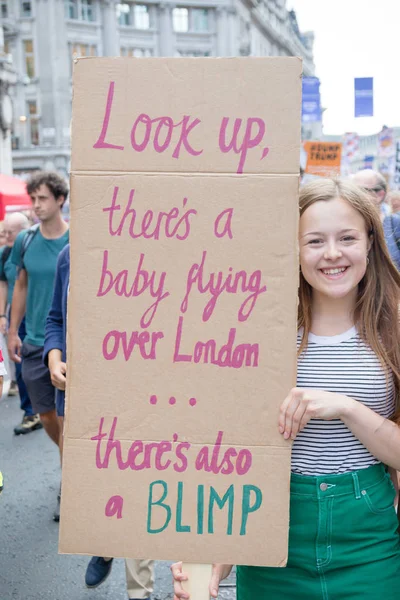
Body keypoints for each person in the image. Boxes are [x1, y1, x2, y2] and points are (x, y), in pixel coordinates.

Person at [171, 178, 400, 599]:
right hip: (269, 533)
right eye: (314, 241)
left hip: (371, 539)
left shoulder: (394, 326)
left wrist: (348, 408)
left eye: (347, 238)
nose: (332, 254)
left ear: (369, 241)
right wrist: (213, 563)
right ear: (291, 248)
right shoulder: (251, 329)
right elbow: (229, 451)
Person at [44, 244, 154, 599]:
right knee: (100, 479)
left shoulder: (152, 249)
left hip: (140, 387)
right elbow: (55, 319)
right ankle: (105, 542)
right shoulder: (70, 255)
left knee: (140, 482)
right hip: (84, 392)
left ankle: (140, 590)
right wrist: (54, 358)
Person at [8, 171, 69, 521]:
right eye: (32, 199)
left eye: (42, 198)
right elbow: (20, 285)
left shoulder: (75, 241)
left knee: (66, 417)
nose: (35, 206)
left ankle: (70, 486)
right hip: (33, 341)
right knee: (47, 416)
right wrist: (12, 330)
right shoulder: (26, 240)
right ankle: (74, 463)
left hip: (65, 346)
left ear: (60, 200)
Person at [0, 212, 42, 435]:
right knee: (22, 363)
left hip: (41, 313)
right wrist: (4, 316)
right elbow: (5, 284)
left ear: (24, 231)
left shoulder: (37, 247)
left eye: (10, 232)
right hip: (18, 315)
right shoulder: (5, 253)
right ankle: (30, 411)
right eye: (3, 231)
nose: (5, 235)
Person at [353, 169, 400, 269]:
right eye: (351, 190)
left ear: (379, 195)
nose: (352, 195)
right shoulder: (344, 224)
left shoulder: (395, 224)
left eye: (360, 190)